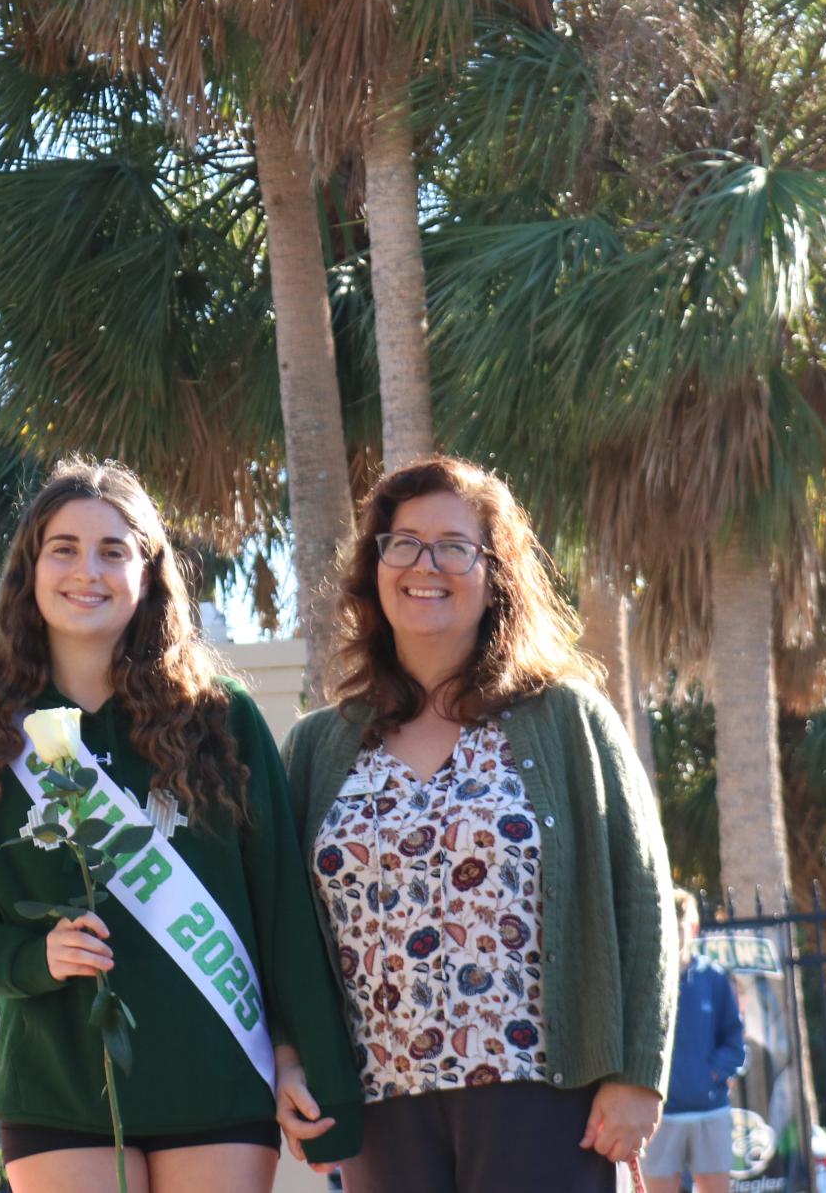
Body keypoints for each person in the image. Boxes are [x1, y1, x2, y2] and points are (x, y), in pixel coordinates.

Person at [0, 459, 364, 1193]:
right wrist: (32, 957)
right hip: (58, 1092)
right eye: (64, 547)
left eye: (113, 550)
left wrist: (294, 1051)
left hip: (216, 1080)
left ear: (147, 573)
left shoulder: (221, 721)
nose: (87, 570)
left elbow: (280, 907)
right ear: (30, 570)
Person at [283, 454, 676, 1193]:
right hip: (382, 1105)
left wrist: (637, 1076)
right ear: (373, 566)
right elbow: (284, 928)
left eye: (453, 546)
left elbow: (642, 896)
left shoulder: (565, 718)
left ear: (495, 572)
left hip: (543, 1095)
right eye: (402, 542)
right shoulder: (316, 746)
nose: (424, 564)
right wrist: (291, 1057)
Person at [647, 890, 746, 1193]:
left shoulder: (714, 978)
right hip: (659, 1115)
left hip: (710, 1110)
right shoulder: (645, 979)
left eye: (679, 926)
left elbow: (734, 1041)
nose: (673, 933)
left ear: (692, 928)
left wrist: (712, 1074)